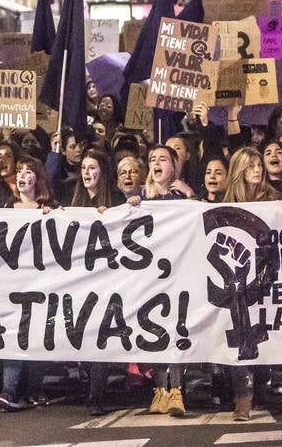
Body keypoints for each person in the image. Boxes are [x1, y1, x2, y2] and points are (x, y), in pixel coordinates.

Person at [68, 150, 138, 415]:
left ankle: (96, 396)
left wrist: (127, 207)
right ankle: (87, 382)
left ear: (103, 172)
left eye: (93, 167)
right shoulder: (71, 198)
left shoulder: (117, 199)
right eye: (84, 167)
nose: (87, 172)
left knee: (100, 335)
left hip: (108, 281)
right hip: (77, 281)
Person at [0, 158, 55, 412]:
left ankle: (34, 389)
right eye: (19, 172)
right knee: (12, 336)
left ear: (37, 178)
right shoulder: (5, 207)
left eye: (28, 172)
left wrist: (57, 216)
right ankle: (9, 390)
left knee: (36, 336)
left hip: (41, 283)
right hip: (12, 285)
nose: (22, 176)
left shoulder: (49, 208)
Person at [218, 147, 278, 420]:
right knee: (239, 337)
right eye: (251, 165)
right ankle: (242, 397)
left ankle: (262, 386)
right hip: (236, 281)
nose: (258, 170)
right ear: (240, 170)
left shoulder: (275, 199)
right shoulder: (224, 203)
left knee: (264, 335)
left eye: (259, 165)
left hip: (266, 279)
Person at [143, 144, 188, 416]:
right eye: (152, 159)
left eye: (162, 158)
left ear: (174, 166)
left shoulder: (184, 196)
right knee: (156, 331)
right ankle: (160, 391)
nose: (156, 163)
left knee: (178, 330)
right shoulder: (141, 196)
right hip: (151, 277)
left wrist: (191, 197)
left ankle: (178, 391)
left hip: (180, 274)